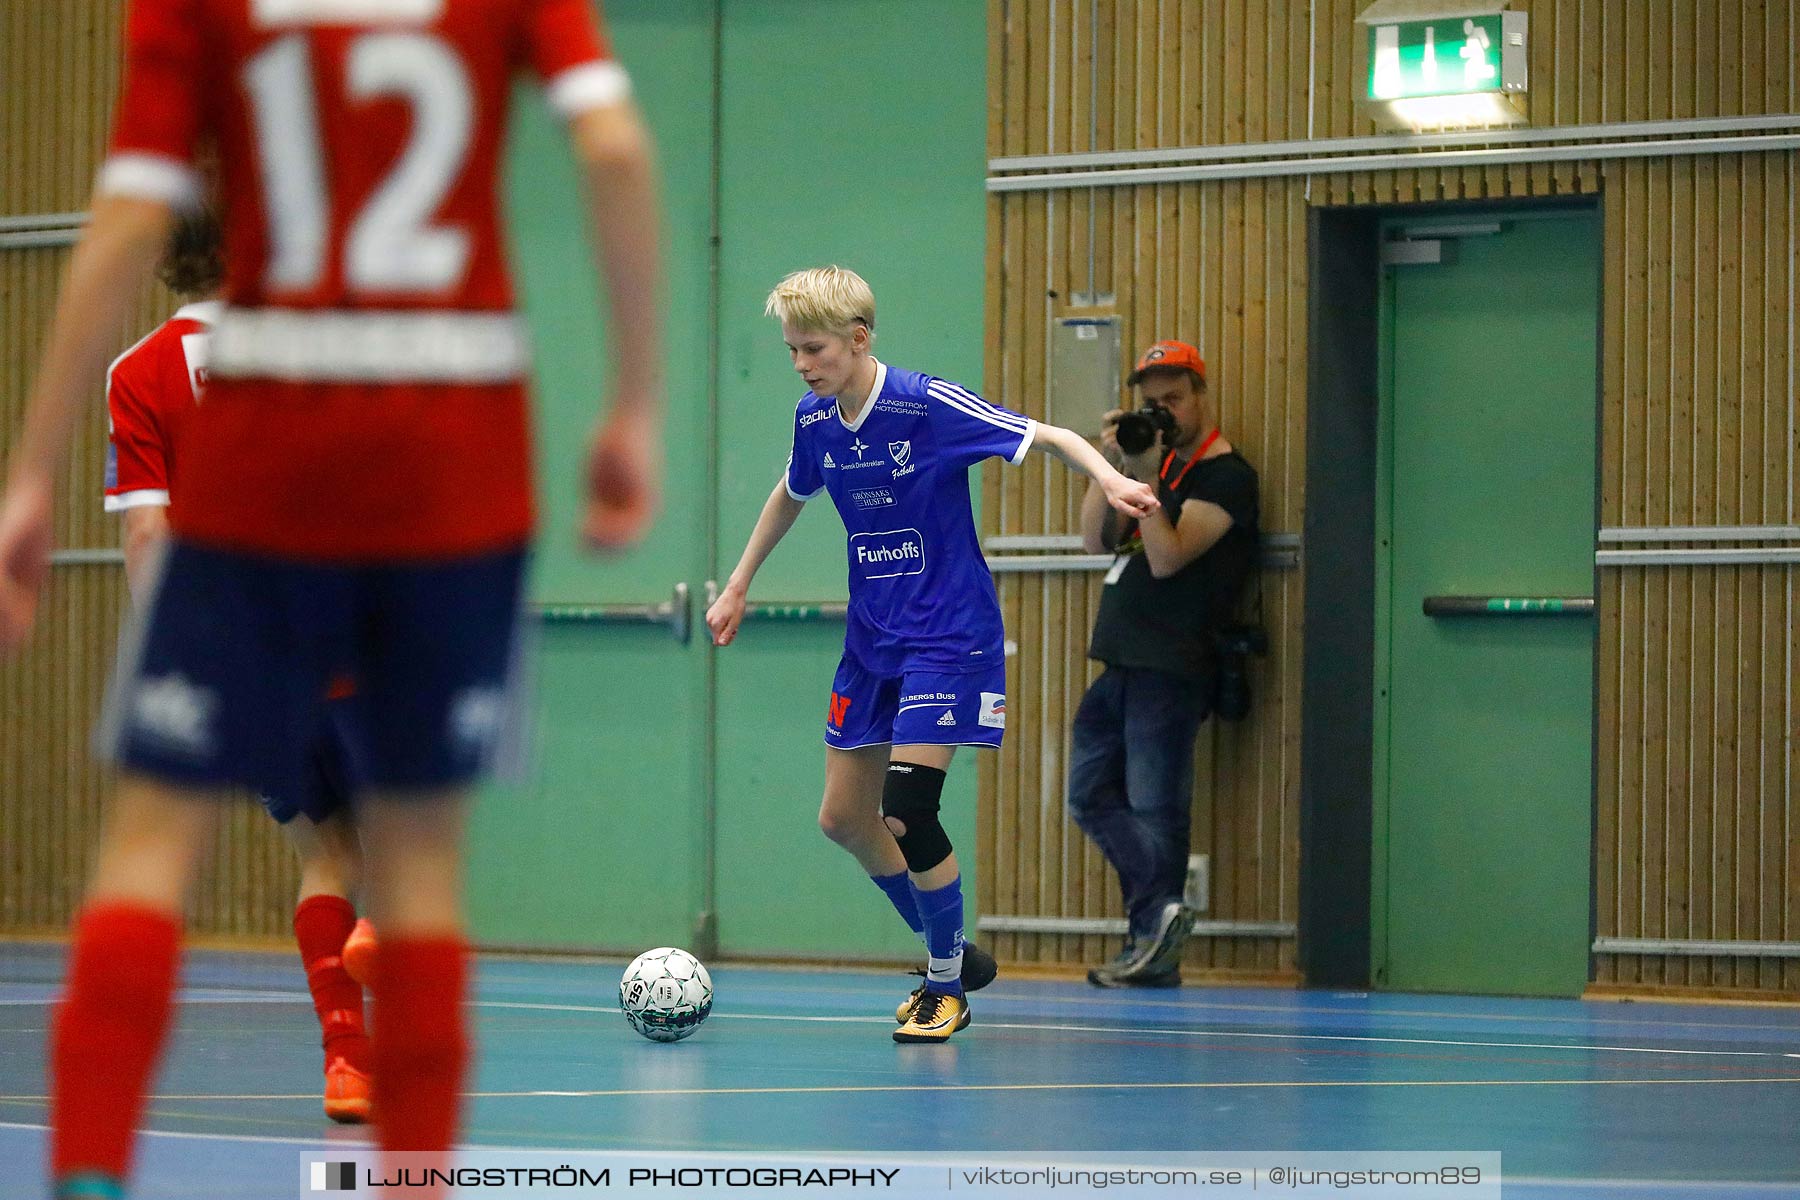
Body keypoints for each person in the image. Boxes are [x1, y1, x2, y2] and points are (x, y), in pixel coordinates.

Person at [0, 1, 664, 1196]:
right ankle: (415, 1178)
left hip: (273, 440)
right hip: (456, 447)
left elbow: (130, 206)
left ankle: (88, 1173)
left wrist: (31, 472)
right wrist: (634, 403)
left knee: (150, 849)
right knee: (419, 876)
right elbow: (613, 149)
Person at [705, 266, 1158, 1043]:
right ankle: (954, 953)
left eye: (814, 348)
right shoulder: (815, 422)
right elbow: (792, 490)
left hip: (949, 635)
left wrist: (1112, 477)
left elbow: (1045, 435)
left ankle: (944, 985)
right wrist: (740, 581)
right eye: (791, 351)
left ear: (859, 338)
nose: (803, 365)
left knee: (909, 807)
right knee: (845, 818)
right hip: (872, 641)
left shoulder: (925, 404)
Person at [101, 208, 378, 1125]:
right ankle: (382, 932)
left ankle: (347, 1062)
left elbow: (148, 535)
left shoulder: (135, 374)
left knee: (322, 852)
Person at [1067, 340, 1260, 988]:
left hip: (1173, 663)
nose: (1164, 412)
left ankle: (1152, 941)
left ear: (1200, 396)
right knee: (1089, 793)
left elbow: (1169, 555)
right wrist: (1114, 466)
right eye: (1152, 402)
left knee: (1155, 807)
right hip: (1119, 659)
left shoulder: (1226, 476)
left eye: (1174, 399)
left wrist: (1147, 478)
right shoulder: (1156, 471)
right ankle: (1158, 915)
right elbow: (1095, 539)